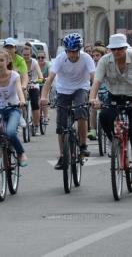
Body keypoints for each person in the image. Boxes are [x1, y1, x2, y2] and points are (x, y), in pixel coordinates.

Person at [89, 33, 132, 184]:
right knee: (103, 116)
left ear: (125, 48)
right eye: (114, 49)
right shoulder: (105, 60)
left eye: (120, 49)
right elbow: (96, 81)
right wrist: (93, 98)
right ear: (110, 50)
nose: (117, 52)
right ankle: (113, 141)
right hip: (115, 97)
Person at [40, 33, 96, 169]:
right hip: (63, 90)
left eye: (75, 51)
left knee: (81, 110)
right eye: (70, 52)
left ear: (79, 49)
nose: (72, 55)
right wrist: (44, 97)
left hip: (80, 88)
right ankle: (62, 156)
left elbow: (94, 78)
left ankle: (83, 145)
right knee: (61, 125)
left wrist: (94, 97)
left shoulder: (86, 58)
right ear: (66, 51)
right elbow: (49, 79)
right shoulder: (60, 59)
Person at [22, 45, 44, 135]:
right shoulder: (20, 62)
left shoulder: (34, 62)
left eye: (28, 55)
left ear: (31, 54)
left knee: (35, 104)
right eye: (24, 55)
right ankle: (23, 119)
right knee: (21, 103)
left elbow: (40, 75)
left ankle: (36, 126)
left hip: (33, 85)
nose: (26, 56)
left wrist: (40, 79)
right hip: (24, 85)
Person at [88, 46, 107, 140]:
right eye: (93, 56)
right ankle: (93, 130)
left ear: (103, 56)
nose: (95, 57)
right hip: (96, 91)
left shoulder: (107, 64)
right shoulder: (91, 66)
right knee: (93, 107)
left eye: (97, 55)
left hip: (108, 91)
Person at [37, 51, 51, 121]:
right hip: (36, 85)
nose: (40, 59)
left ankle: (45, 116)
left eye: (42, 57)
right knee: (37, 101)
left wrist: (43, 80)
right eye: (38, 57)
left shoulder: (48, 65)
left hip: (45, 85)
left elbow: (50, 76)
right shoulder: (36, 65)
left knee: (43, 100)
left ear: (45, 58)